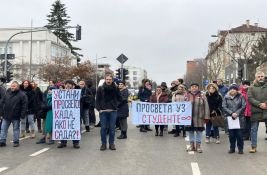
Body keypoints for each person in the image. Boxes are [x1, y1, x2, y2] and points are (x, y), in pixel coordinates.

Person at [96, 74, 122, 151]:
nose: (108, 80)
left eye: (110, 79)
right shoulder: (100, 88)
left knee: (112, 129)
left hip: (113, 112)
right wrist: (98, 109)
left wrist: (115, 105)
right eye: (107, 79)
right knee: (103, 128)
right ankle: (103, 144)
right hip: (103, 112)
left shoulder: (116, 88)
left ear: (112, 80)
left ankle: (111, 144)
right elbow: (97, 100)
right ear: (105, 80)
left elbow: (120, 98)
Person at [0, 81, 27, 147]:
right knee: (3, 129)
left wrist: (22, 115)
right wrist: (1, 113)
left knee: (16, 129)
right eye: (12, 86)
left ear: (17, 86)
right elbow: (2, 103)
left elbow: (24, 106)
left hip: (16, 116)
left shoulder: (22, 95)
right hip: (6, 115)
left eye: (14, 86)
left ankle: (16, 142)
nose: (12, 87)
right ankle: (2, 141)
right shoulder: (7, 93)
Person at [186, 83, 210, 153]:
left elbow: (206, 106)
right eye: (192, 87)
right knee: (191, 132)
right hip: (189, 117)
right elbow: (182, 106)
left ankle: (198, 146)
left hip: (199, 117)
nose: (194, 88)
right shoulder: (187, 95)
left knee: (199, 132)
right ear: (190, 88)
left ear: (198, 88)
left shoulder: (202, 95)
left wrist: (206, 116)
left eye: (196, 87)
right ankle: (192, 145)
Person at [222, 85, 246, 154]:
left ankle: (240, 149)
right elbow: (224, 106)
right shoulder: (226, 97)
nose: (232, 90)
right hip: (230, 118)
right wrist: (231, 113)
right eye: (231, 89)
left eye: (234, 89)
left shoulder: (241, 96)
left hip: (239, 118)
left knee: (239, 135)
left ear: (237, 90)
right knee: (231, 135)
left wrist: (237, 113)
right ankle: (232, 148)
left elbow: (243, 106)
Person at [248, 71, 267, 153]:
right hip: (256, 111)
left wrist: (266, 104)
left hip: (266, 110)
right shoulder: (251, 87)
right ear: (256, 77)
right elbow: (250, 98)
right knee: (254, 130)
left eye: (262, 76)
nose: (260, 78)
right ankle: (253, 146)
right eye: (258, 76)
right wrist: (259, 104)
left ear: (264, 77)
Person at [57, 80, 80, 149]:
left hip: (74, 114)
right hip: (64, 114)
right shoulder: (60, 93)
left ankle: (75, 143)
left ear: (73, 86)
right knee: (64, 128)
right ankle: (63, 142)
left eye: (70, 84)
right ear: (64, 85)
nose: (68, 85)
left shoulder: (76, 93)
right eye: (66, 84)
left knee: (74, 128)